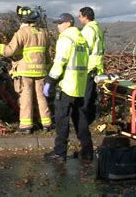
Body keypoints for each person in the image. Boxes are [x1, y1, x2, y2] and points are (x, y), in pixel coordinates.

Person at [0, 5, 52, 134]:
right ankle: (46, 123)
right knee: (41, 97)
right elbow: (47, 55)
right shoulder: (44, 33)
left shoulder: (22, 33)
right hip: (40, 71)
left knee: (26, 98)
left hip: (25, 71)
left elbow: (8, 51)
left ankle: (26, 126)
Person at [43, 13, 91, 162]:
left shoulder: (65, 39)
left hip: (66, 86)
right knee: (80, 120)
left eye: (60, 23)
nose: (58, 26)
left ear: (68, 23)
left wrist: (50, 80)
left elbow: (59, 63)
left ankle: (60, 152)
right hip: (80, 86)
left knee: (62, 120)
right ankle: (87, 151)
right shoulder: (81, 39)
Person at [79, 7, 105, 125]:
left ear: (85, 17)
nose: (79, 19)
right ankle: (93, 116)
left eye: (80, 16)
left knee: (86, 94)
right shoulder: (97, 29)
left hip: (89, 65)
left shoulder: (88, 30)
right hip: (97, 65)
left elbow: (85, 49)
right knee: (92, 94)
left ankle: (84, 120)